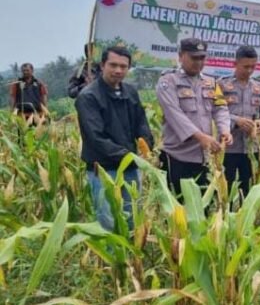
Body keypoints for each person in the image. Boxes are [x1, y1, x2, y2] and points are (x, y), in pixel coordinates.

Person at [75, 46, 154, 231]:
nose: (118, 70)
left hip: (130, 169)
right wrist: (129, 156)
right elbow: (96, 137)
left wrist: (146, 145)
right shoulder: (88, 97)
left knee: (133, 218)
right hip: (103, 170)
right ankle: (110, 251)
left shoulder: (130, 92)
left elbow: (141, 122)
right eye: (113, 65)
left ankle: (130, 250)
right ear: (102, 65)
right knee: (108, 221)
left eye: (123, 66)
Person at [156, 38, 232, 196]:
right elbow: (174, 114)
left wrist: (225, 130)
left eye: (202, 58)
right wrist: (200, 137)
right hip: (177, 157)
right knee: (177, 206)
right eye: (194, 58)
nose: (198, 62)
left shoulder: (211, 83)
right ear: (181, 56)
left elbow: (221, 108)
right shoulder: (168, 82)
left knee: (203, 206)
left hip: (204, 158)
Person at [218, 46, 260, 199]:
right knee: (224, 191)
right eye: (245, 66)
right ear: (235, 64)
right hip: (228, 148)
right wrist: (236, 121)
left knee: (248, 190)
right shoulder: (221, 85)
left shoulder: (259, 86)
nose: (249, 70)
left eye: (253, 67)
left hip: (251, 148)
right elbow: (214, 111)